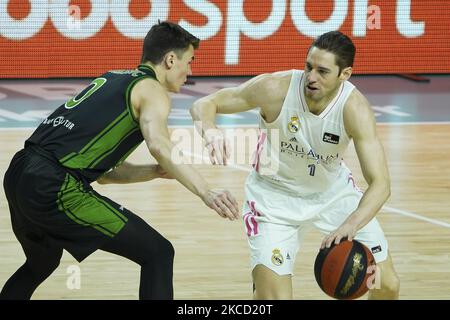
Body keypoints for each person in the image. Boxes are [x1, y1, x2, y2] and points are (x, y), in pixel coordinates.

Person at [1, 21, 239, 300]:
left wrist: (153, 172)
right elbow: (160, 145)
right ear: (170, 59)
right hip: (53, 185)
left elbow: (104, 173)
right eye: (190, 61)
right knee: (158, 253)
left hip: (19, 171)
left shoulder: (113, 78)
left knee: (41, 262)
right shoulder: (152, 90)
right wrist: (206, 191)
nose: (191, 71)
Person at [190, 31, 400, 299]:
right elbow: (204, 103)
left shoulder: (354, 109)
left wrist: (352, 224)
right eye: (308, 67)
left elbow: (381, 184)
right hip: (273, 200)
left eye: (323, 71)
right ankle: (264, 280)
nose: (311, 77)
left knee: (386, 284)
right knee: (273, 299)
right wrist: (209, 130)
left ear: (345, 74)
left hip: (333, 196)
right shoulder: (274, 89)